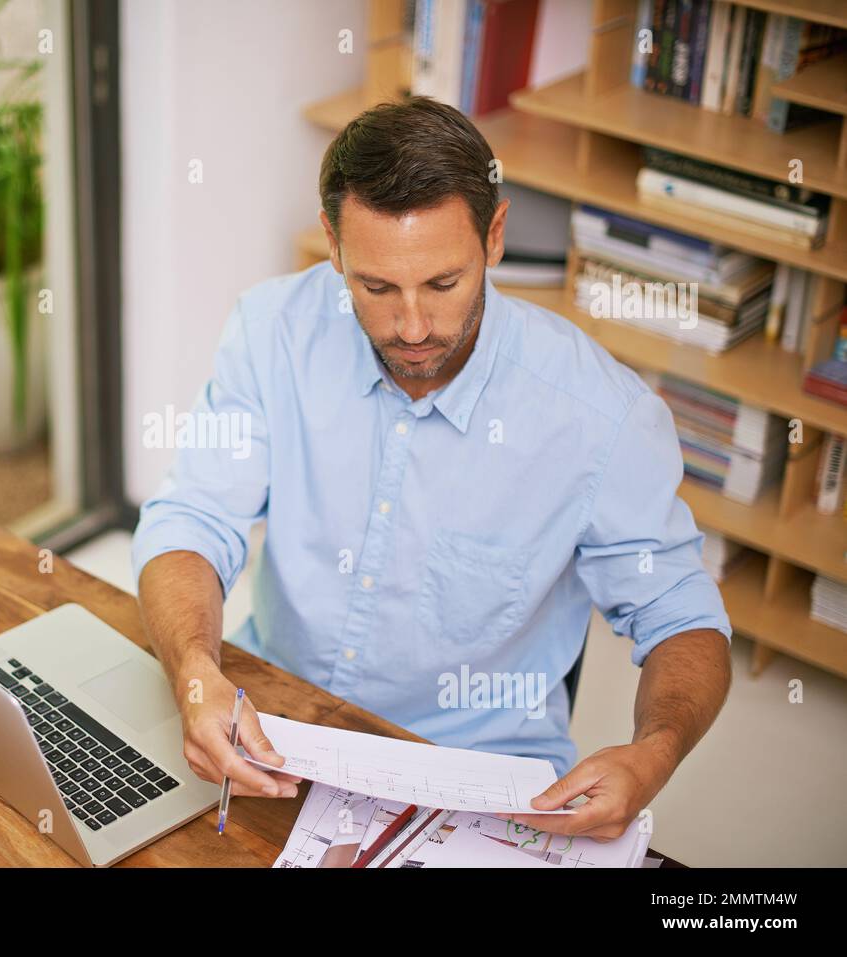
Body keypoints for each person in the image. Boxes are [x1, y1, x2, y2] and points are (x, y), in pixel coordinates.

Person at [132, 97, 732, 838]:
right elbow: (191, 518)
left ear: (496, 236)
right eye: (376, 287)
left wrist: (654, 753)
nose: (411, 327)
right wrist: (196, 670)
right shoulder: (272, 332)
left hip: (478, 782)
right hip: (270, 733)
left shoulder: (600, 416)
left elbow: (685, 621)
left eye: (443, 285)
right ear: (333, 244)